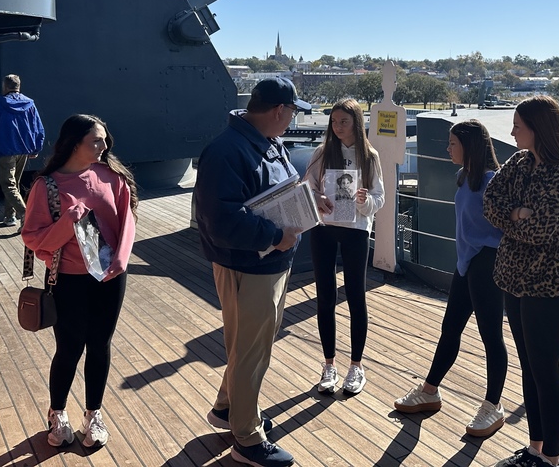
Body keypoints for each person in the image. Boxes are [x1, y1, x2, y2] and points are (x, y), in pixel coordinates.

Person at [194, 77, 311, 467]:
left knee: (250, 346)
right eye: (292, 112)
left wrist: (311, 202)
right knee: (250, 352)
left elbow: (278, 191)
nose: (292, 120)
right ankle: (246, 437)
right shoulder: (227, 151)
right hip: (250, 265)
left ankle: (228, 409)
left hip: (269, 263)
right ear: (279, 111)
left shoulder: (264, 141)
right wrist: (276, 235)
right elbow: (219, 219)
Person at [20, 114, 137, 450]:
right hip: (68, 279)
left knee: (100, 345)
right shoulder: (47, 186)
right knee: (69, 348)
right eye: (96, 141)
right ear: (74, 143)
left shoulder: (111, 176)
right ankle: (58, 414)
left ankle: (93, 414)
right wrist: (67, 222)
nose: (104, 146)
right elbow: (33, 238)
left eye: (104, 140)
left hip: (111, 276)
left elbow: (127, 220)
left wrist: (121, 258)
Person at [483, 96, 559, 467]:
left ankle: (552, 458)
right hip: (513, 280)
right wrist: (516, 214)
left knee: (545, 372)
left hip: (549, 287)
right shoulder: (520, 161)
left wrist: (516, 218)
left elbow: (541, 230)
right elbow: (490, 200)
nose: (511, 132)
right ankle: (535, 448)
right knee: (529, 367)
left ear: (538, 129)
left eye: (518, 126)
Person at [393, 119, 509, 438]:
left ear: (469, 146)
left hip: (487, 262)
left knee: (490, 336)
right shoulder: (463, 177)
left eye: (452, 144)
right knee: (450, 329)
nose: (447, 149)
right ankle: (430, 391)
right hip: (466, 263)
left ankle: (493, 406)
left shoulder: (493, 181)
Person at [303, 98, 385, 396]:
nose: (338, 127)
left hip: (355, 233)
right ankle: (328, 365)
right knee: (324, 296)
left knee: (355, 296)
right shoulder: (323, 152)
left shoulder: (369, 156)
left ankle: (356, 366)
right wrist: (318, 200)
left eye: (344, 122)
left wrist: (364, 203)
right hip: (324, 230)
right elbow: (308, 187)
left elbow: (380, 197)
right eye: (334, 122)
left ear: (356, 122)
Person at [0, 74, 46, 227]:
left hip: (5, 150)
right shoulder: (30, 104)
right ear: (18, 86)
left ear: (5, 86)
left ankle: (25, 215)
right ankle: (10, 217)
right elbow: (38, 128)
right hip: (23, 150)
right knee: (14, 184)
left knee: (7, 184)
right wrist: (36, 147)